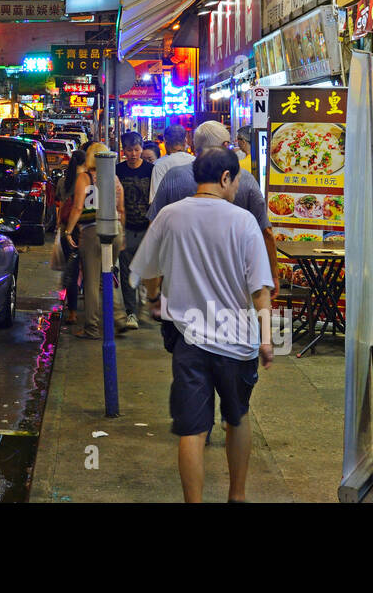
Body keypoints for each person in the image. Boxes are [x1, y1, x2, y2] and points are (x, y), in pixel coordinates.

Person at [131, 147, 274, 502]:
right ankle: (237, 496)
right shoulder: (243, 222)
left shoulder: (169, 216)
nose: (238, 186)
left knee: (192, 430)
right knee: (236, 419)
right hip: (238, 343)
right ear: (225, 178)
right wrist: (267, 339)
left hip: (189, 340)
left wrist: (154, 300)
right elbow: (260, 290)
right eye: (237, 179)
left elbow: (149, 271)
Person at [144, 121, 278, 321]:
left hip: (183, 291)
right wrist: (272, 275)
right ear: (225, 146)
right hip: (233, 291)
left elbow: (153, 235)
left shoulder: (173, 177)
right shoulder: (245, 179)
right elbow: (266, 233)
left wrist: (155, 290)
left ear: (194, 145)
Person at [64, 142, 128, 339]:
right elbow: (122, 209)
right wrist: (122, 234)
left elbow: (77, 207)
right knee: (107, 276)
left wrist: (68, 230)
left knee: (91, 282)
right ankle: (119, 318)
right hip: (115, 231)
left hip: (93, 232)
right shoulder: (115, 179)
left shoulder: (86, 177)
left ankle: (92, 327)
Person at [116, 131, 152, 330]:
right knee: (127, 272)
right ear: (124, 151)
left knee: (146, 271)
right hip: (126, 228)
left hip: (147, 228)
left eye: (137, 150)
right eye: (129, 150)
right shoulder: (118, 170)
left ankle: (144, 304)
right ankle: (131, 312)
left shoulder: (151, 170)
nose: (133, 154)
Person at [56, 149, 88, 326]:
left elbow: (61, 207)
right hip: (86, 229)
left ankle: (73, 312)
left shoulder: (63, 181)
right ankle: (87, 309)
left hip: (67, 231)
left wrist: (61, 228)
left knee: (72, 270)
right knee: (89, 271)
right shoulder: (89, 181)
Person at [149, 124, 194, 203]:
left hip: (168, 213)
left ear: (165, 142)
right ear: (185, 141)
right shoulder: (197, 162)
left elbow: (155, 200)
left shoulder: (159, 165)